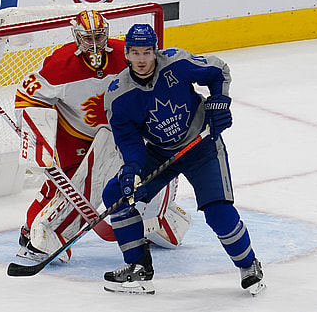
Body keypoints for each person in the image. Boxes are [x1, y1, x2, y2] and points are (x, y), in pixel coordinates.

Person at [14, 11, 191, 263]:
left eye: (99, 36)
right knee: (69, 185)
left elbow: (160, 81)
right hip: (76, 135)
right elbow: (27, 97)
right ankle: (38, 228)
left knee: (157, 161)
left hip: (124, 130)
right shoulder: (59, 64)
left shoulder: (126, 55)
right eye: (88, 37)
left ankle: (157, 218)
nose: (95, 44)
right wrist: (35, 134)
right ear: (77, 36)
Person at [102, 23, 265, 295]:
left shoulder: (176, 63)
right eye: (135, 53)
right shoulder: (118, 95)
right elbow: (128, 140)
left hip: (201, 144)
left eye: (147, 52)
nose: (141, 59)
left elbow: (218, 70)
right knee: (117, 195)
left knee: (218, 211)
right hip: (158, 151)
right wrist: (131, 167)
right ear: (126, 55)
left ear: (156, 52)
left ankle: (248, 265)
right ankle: (138, 268)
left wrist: (219, 102)